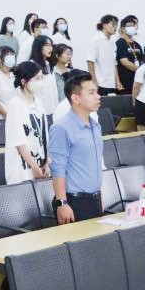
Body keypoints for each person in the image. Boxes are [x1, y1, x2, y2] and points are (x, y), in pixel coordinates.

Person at [49, 72, 105, 223]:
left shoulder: (95, 126)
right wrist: (62, 203)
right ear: (76, 98)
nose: (98, 96)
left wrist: (99, 197)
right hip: (74, 201)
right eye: (92, 93)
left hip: (95, 199)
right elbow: (57, 168)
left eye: (97, 92)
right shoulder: (61, 128)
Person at [3, 61, 50, 185]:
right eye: (37, 79)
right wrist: (34, 166)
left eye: (41, 78)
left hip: (40, 163)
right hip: (22, 167)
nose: (40, 82)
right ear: (24, 82)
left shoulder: (39, 102)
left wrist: (46, 162)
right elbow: (19, 141)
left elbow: (45, 136)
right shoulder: (15, 104)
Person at [87, 14, 119, 95]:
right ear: (104, 25)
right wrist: (94, 81)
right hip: (100, 83)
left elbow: (114, 64)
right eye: (113, 24)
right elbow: (90, 61)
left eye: (116, 25)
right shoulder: (96, 40)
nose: (115, 27)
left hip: (111, 84)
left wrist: (117, 81)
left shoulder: (113, 43)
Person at [113, 16, 141, 94]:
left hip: (138, 82)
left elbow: (142, 61)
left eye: (134, 25)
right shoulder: (120, 43)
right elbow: (124, 62)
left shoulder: (137, 45)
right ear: (123, 29)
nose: (133, 27)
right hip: (125, 83)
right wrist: (140, 70)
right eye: (130, 26)